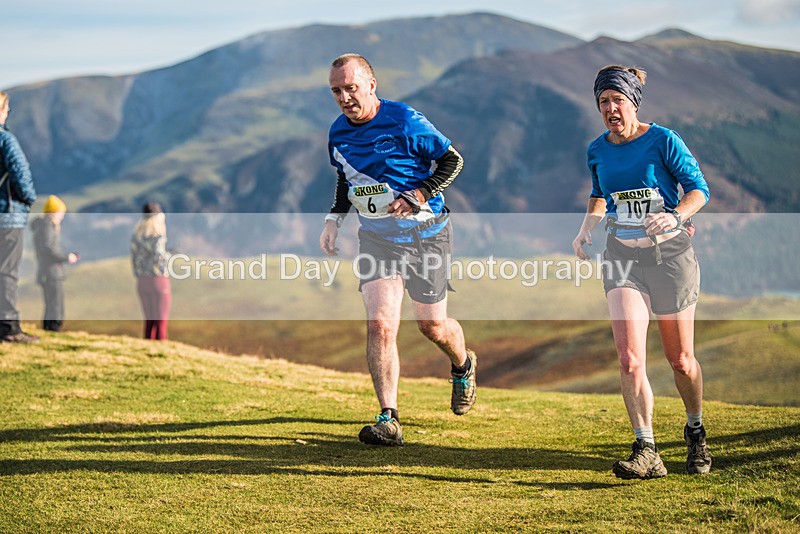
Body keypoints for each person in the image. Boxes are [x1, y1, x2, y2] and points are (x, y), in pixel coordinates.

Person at [320, 53, 475, 446]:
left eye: (351, 88)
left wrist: (419, 193)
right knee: (381, 324)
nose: (344, 98)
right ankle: (388, 418)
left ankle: (463, 363)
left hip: (427, 234)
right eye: (336, 91)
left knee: (432, 326)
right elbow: (347, 180)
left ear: (371, 84)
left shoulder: (405, 120)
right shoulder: (338, 133)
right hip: (377, 238)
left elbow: (452, 160)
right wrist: (334, 221)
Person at [572, 65, 712, 479]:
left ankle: (695, 431)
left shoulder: (664, 140)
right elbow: (601, 195)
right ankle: (646, 448)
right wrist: (584, 232)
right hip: (622, 257)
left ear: (633, 102)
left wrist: (675, 216)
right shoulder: (597, 149)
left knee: (680, 360)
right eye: (603, 102)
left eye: (618, 100)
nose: (611, 109)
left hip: (670, 257)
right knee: (630, 358)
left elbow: (699, 190)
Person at [0, 91, 38, 344]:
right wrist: (28, 199)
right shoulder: (6, 140)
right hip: (7, 215)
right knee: (7, 272)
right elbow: (21, 173)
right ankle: (9, 328)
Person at [31, 195, 79, 332]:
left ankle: (49, 328)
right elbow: (48, 248)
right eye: (60, 213)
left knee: (51, 303)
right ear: (53, 212)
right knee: (55, 304)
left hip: (47, 271)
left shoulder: (43, 227)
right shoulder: (47, 226)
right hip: (51, 272)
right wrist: (65, 258)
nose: (61, 217)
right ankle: (53, 328)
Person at [131, 202, 171, 340]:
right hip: (158, 281)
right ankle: (161, 352)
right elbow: (159, 258)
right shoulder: (157, 237)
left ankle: (147, 348)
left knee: (149, 321)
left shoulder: (136, 237)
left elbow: (134, 261)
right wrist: (171, 255)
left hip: (142, 282)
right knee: (161, 321)